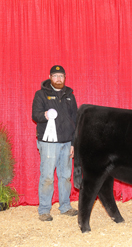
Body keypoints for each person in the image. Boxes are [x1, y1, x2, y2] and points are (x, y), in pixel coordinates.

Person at [32, 65, 78, 221]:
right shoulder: (41, 95)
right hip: (48, 143)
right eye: (55, 76)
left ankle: (65, 207)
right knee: (47, 177)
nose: (59, 79)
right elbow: (35, 115)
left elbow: (75, 120)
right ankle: (44, 210)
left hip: (66, 142)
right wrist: (45, 114)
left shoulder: (70, 95)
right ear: (50, 77)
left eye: (61, 76)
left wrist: (73, 143)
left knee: (65, 176)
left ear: (65, 77)